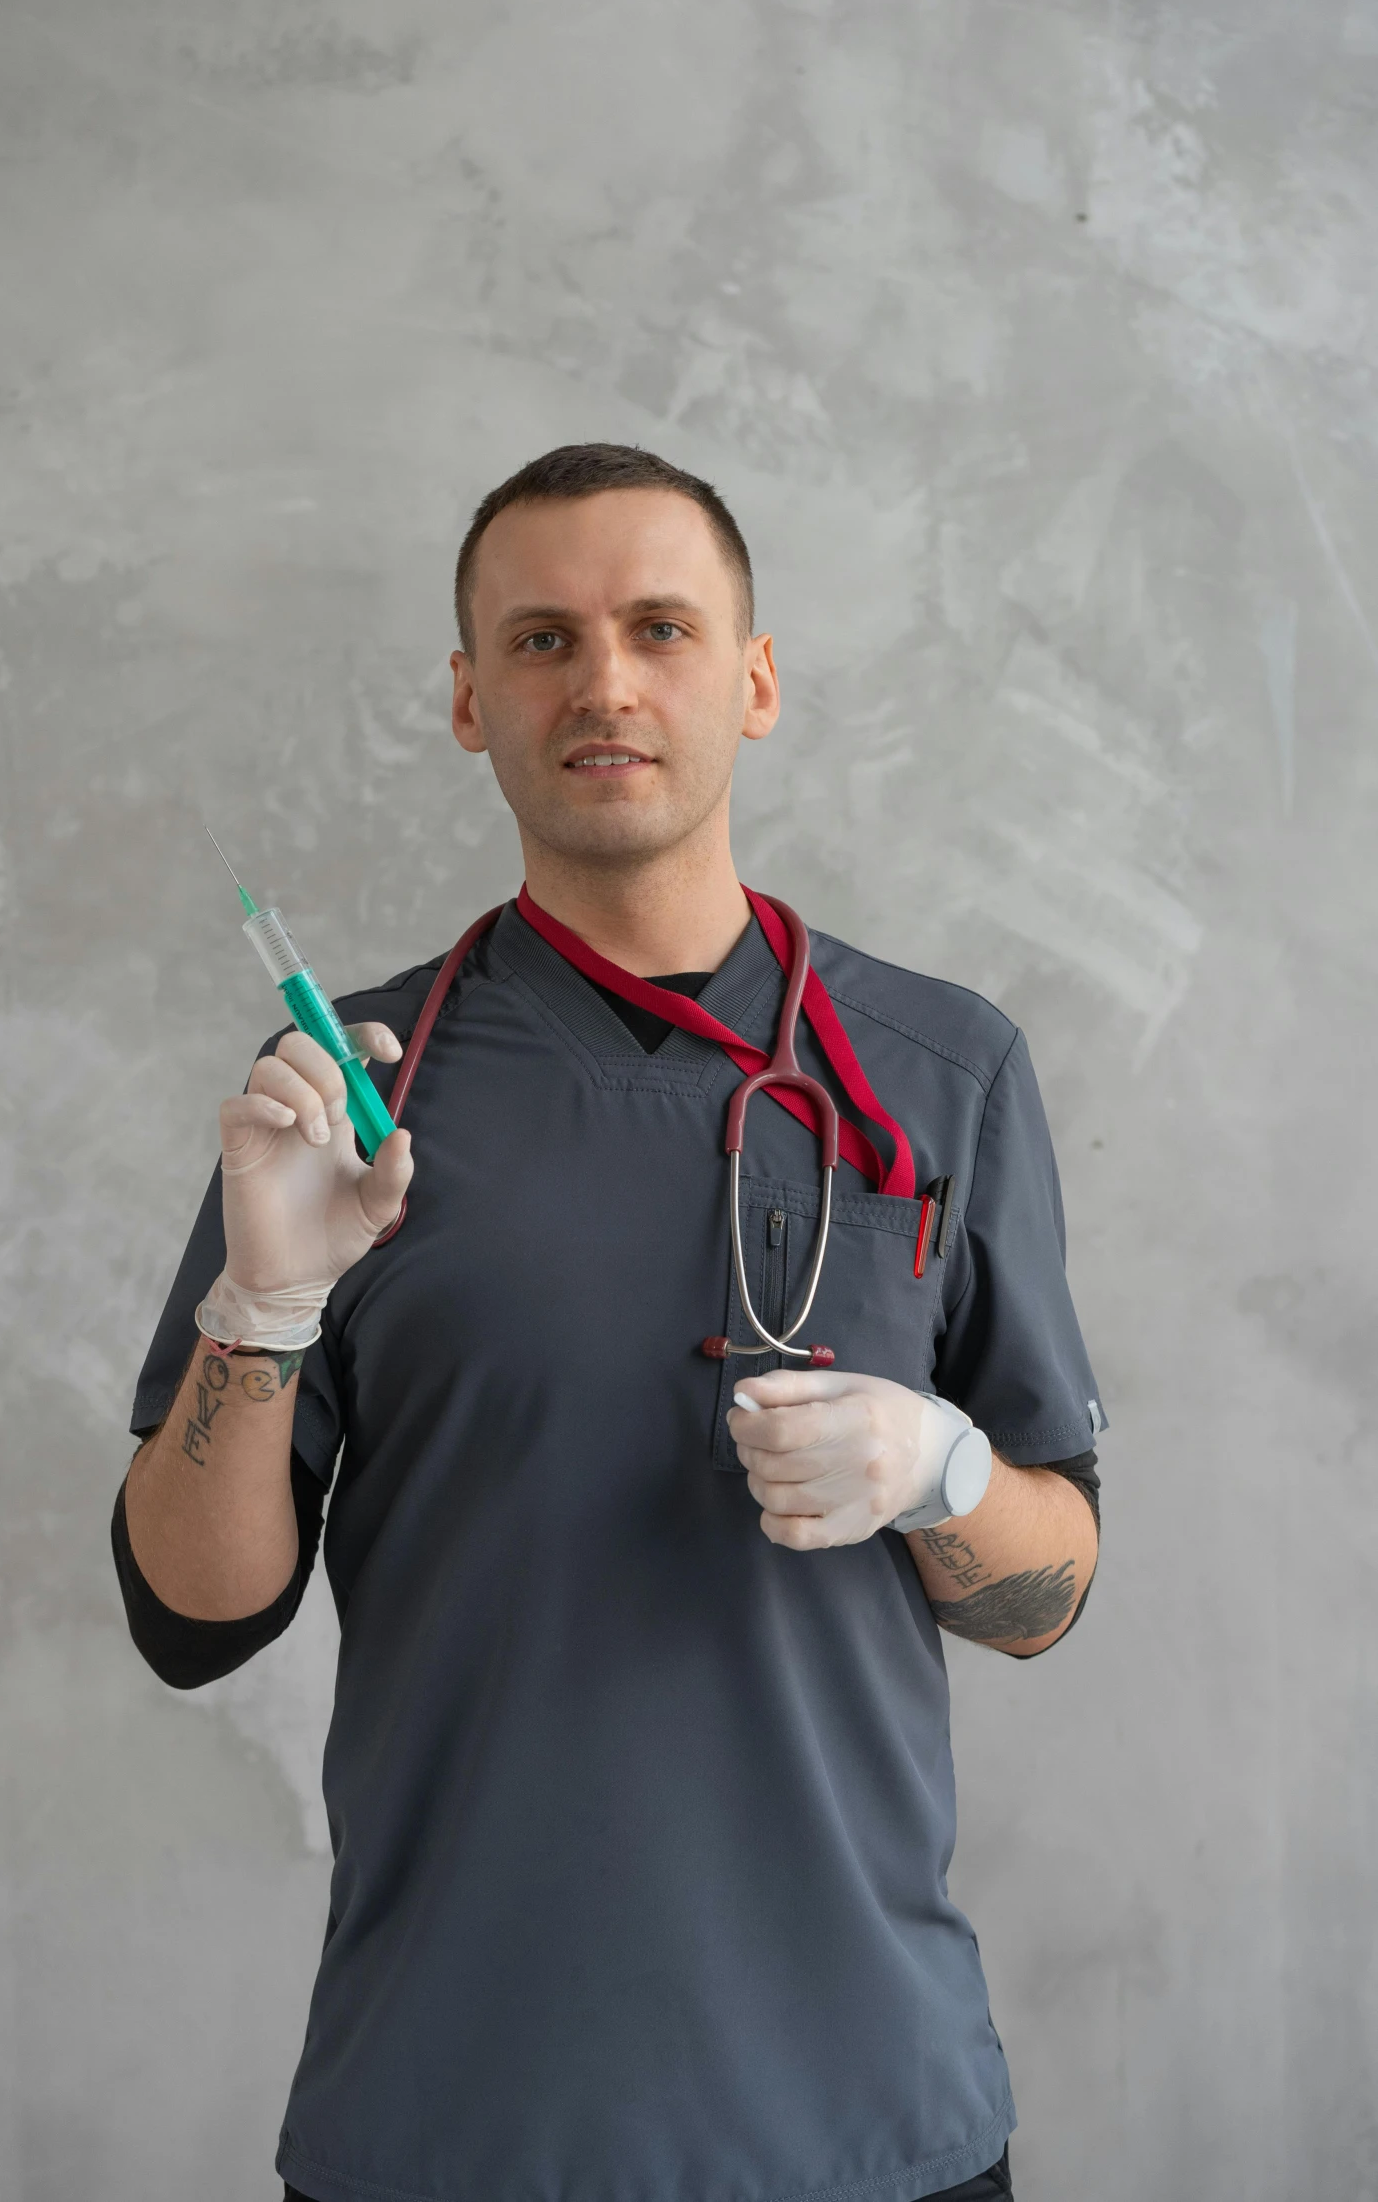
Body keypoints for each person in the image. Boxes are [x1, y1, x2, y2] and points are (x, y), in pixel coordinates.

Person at [114, 443, 1104, 2202]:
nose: (607, 683)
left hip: (865, 2121)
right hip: (451, 2121)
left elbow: (1047, 1595)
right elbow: (194, 1615)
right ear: (468, 699)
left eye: (659, 626)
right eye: (544, 639)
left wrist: (946, 1471)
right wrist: (260, 1308)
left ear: (755, 677)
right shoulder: (346, 1090)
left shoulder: (942, 1074)